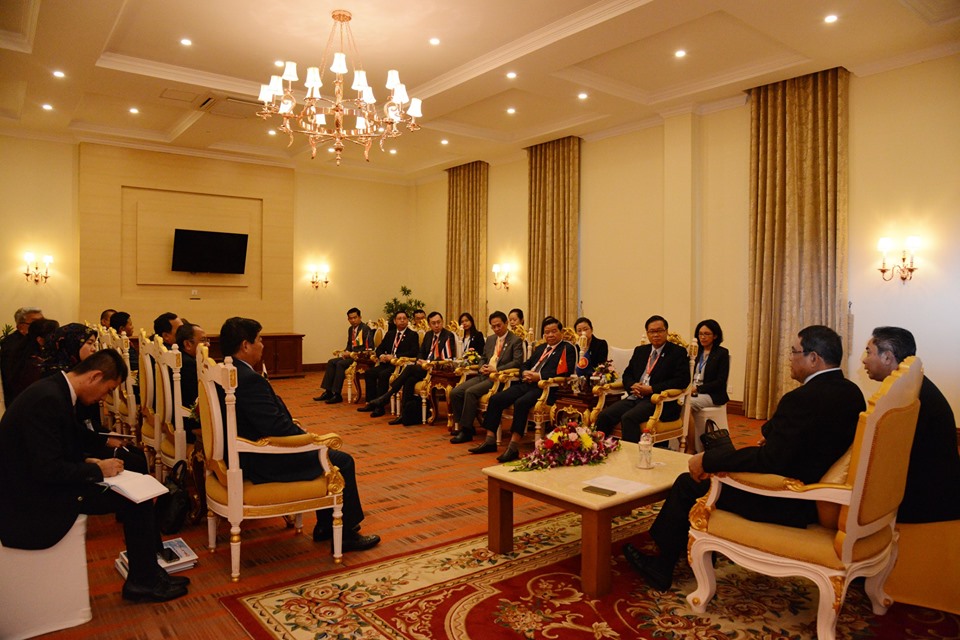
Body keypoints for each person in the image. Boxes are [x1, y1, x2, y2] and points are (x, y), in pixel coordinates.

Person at [624, 325, 865, 591]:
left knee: (688, 483)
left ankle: (661, 567)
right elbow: (810, 438)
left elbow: (768, 461)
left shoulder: (802, 398)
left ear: (813, 358)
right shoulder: (852, 393)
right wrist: (775, 437)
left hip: (786, 498)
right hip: (815, 489)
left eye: (794, 352)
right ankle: (688, 548)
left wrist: (710, 460)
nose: (790, 358)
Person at [0, 349, 189, 602]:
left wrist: (89, 460)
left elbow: (61, 441)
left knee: (139, 492)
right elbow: (47, 469)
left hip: (35, 482)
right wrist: (97, 469)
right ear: (95, 376)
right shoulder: (49, 399)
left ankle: (150, 573)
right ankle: (143, 582)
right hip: (32, 497)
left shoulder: (55, 388)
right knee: (137, 500)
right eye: (108, 389)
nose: (104, 397)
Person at [219, 317, 380, 552]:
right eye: (259, 340)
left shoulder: (226, 371)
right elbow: (276, 428)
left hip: (245, 452)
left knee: (326, 455)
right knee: (341, 460)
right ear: (245, 345)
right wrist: (307, 439)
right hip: (264, 459)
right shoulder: (249, 380)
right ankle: (345, 534)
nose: (262, 345)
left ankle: (325, 526)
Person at [861, 326, 960, 523]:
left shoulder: (906, 396)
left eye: (869, 352)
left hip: (929, 502)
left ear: (887, 357)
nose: (864, 360)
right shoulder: (911, 385)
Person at [470, 316, 578, 462]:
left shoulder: (567, 348)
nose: (550, 335)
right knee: (496, 399)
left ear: (561, 332)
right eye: (547, 332)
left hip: (546, 388)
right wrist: (525, 373)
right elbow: (525, 364)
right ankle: (490, 440)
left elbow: (565, 372)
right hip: (527, 383)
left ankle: (513, 447)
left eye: (554, 331)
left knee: (521, 403)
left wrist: (539, 376)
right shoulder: (541, 348)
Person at [594, 315, 690, 443]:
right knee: (604, 415)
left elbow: (682, 380)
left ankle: (633, 454)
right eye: (652, 331)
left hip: (658, 401)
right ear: (647, 333)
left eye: (660, 331)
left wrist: (652, 389)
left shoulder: (677, 352)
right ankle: (600, 449)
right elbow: (627, 374)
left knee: (629, 418)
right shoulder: (641, 351)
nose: (656, 335)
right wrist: (632, 385)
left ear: (666, 331)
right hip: (636, 396)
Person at [366, 311, 455, 426]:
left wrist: (428, 362)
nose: (437, 325)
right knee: (409, 381)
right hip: (423, 367)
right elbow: (421, 352)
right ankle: (404, 415)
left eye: (439, 322)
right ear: (429, 324)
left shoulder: (448, 335)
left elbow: (448, 357)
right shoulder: (428, 335)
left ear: (442, 322)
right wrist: (419, 360)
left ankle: (388, 395)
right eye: (433, 323)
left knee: (408, 369)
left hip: (436, 369)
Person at [449, 311, 525, 444]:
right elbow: (483, 357)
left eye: (499, 325)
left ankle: (466, 431)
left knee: (470, 392)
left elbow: (517, 362)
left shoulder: (515, 340)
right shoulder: (490, 339)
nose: (496, 329)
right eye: (493, 326)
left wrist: (496, 369)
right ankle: (465, 425)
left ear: (506, 323)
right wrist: (481, 367)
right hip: (484, 374)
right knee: (456, 392)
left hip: (498, 378)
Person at [357, 311, 419, 418]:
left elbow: (413, 352)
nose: (402, 320)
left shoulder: (412, 335)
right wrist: (381, 355)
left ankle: (379, 407)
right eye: (399, 318)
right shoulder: (390, 334)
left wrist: (395, 356)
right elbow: (380, 348)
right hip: (386, 363)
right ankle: (371, 402)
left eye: (404, 318)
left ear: (408, 320)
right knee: (369, 373)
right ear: (395, 321)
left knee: (383, 375)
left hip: (400, 365)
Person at [687, 319, 730, 452]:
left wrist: (698, 388)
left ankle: (691, 447)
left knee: (686, 405)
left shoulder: (721, 353)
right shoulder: (695, 351)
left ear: (715, 336)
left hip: (711, 394)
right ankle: (680, 442)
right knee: (675, 402)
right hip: (692, 391)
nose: (703, 337)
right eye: (700, 334)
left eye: (707, 334)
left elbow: (720, 381)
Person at [315, 307, 374, 404]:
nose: (353, 320)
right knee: (331, 362)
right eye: (350, 318)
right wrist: (346, 352)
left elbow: (369, 347)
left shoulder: (365, 329)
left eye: (355, 317)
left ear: (360, 317)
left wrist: (350, 354)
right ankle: (328, 392)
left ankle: (337, 394)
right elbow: (349, 345)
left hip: (360, 358)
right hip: (350, 356)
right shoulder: (351, 329)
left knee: (340, 364)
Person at [6, 318, 59, 402]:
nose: (58, 340)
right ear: (40, 340)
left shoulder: (25, 356)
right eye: (54, 336)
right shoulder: (35, 364)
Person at [1, 306, 44, 398]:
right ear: (20, 326)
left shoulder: (39, 341)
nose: (41, 326)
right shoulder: (11, 344)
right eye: (35, 323)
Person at [175, 320, 208, 438]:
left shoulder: (180, 358)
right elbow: (197, 399)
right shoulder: (189, 365)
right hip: (188, 424)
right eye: (203, 341)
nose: (208, 345)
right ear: (188, 344)